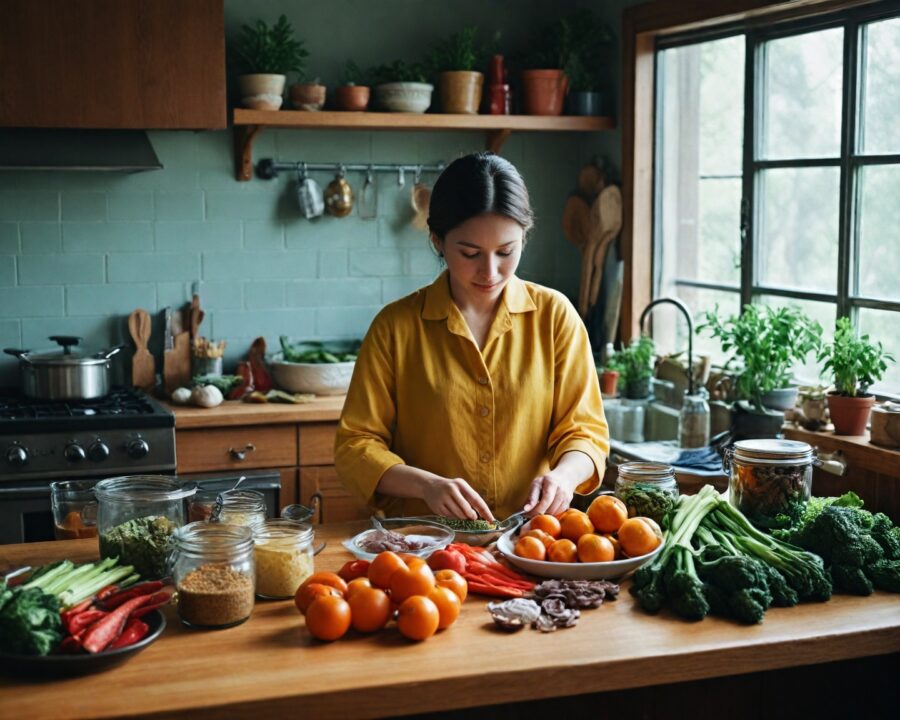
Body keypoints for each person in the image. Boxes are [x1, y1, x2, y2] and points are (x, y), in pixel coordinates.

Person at [334, 152, 609, 522]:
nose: (490, 271)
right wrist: (426, 486)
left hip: (532, 542)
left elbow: (585, 432)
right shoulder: (395, 328)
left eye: (506, 252)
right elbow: (356, 446)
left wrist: (563, 477)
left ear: (524, 238)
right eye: (470, 253)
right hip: (425, 548)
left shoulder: (555, 317)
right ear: (437, 241)